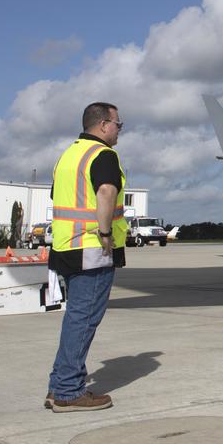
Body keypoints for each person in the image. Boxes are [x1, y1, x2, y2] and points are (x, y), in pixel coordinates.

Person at [45, 102, 129, 412]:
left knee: (74, 317)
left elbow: (58, 197)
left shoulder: (69, 155)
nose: (119, 130)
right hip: (92, 248)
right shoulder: (103, 155)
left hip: (66, 246)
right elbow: (106, 192)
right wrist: (106, 233)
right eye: (118, 125)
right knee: (84, 319)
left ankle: (58, 386)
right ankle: (68, 391)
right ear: (104, 124)